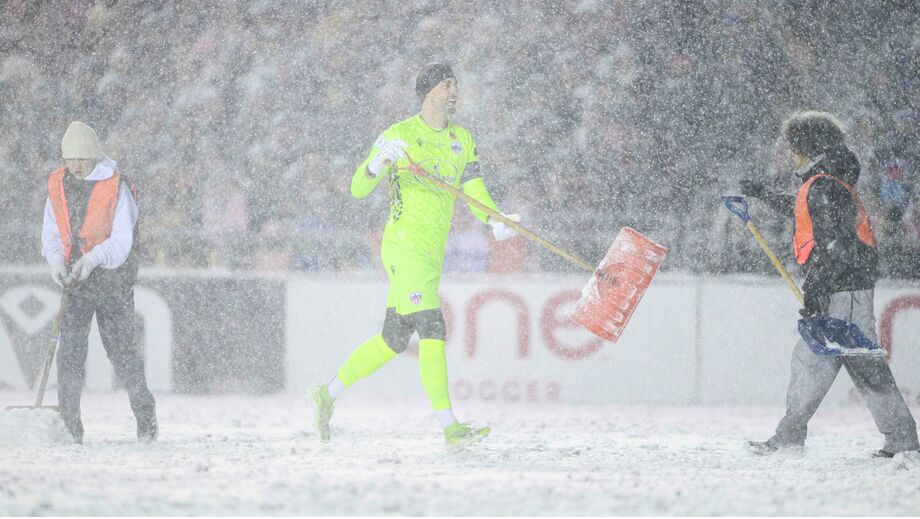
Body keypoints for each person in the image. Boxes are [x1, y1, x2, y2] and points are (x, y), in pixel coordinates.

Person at [309, 63, 518, 449]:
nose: (453, 91)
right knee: (432, 326)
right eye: (446, 85)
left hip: (431, 253)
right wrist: (375, 164)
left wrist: (494, 220)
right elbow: (357, 188)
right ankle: (450, 427)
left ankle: (327, 393)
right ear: (427, 92)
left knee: (393, 338)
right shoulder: (399, 134)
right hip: (403, 246)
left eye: (455, 85)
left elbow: (473, 191)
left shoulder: (462, 139)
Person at [740, 110, 918, 458]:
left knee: (851, 363)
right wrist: (764, 194)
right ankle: (794, 434)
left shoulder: (825, 185)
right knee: (823, 360)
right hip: (844, 286)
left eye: (793, 146)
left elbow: (836, 244)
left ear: (806, 146)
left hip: (843, 290)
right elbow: (807, 211)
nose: (790, 153)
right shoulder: (825, 182)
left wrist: (817, 289)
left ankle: (900, 439)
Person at [41, 121, 158, 444]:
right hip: (76, 281)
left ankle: (145, 417)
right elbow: (51, 232)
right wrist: (55, 261)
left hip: (112, 282)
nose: (76, 165)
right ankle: (69, 426)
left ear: (94, 155)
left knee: (122, 352)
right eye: (71, 158)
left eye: (82, 158)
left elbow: (122, 241)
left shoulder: (117, 186)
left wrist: (92, 259)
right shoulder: (57, 184)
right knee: (70, 353)